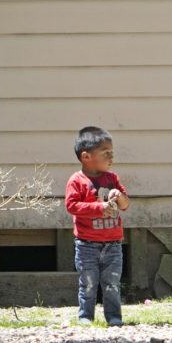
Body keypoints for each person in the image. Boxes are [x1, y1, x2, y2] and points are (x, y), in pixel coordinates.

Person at [65, 126, 130, 327]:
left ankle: (114, 317)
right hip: (86, 245)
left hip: (113, 244)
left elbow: (126, 205)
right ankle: (86, 316)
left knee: (111, 283)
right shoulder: (77, 180)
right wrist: (99, 207)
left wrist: (118, 196)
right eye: (106, 153)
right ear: (86, 156)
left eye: (112, 152)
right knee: (89, 283)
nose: (111, 157)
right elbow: (71, 205)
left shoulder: (112, 179)